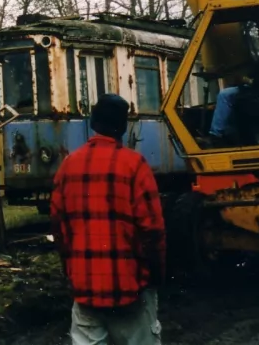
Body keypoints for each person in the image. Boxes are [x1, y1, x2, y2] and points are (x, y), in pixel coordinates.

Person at [50, 93, 165, 345]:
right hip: (130, 288)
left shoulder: (68, 166)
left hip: (85, 290)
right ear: (122, 127)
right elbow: (152, 230)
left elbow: (59, 228)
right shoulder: (135, 165)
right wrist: (155, 275)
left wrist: (71, 270)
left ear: (93, 122)